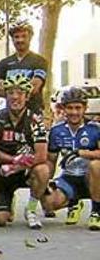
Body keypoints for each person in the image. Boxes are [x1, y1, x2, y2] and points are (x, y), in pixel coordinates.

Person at [0, 75, 50, 229]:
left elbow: (41, 156)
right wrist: (12, 160)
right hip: (3, 172)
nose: (15, 97)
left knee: (43, 170)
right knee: (0, 220)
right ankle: (8, 201)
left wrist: (18, 165)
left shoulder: (35, 120)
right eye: (11, 93)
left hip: (26, 171)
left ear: (27, 96)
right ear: (6, 96)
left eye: (20, 93)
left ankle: (31, 209)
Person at [44, 87, 100, 230]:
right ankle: (74, 202)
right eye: (70, 108)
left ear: (85, 108)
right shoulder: (56, 131)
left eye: (78, 108)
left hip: (91, 178)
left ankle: (96, 212)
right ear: (63, 108)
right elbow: (51, 160)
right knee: (48, 203)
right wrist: (46, 181)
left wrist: (82, 153)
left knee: (96, 166)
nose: (74, 112)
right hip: (68, 177)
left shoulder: (95, 128)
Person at [0, 20, 48, 114]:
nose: (20, 40)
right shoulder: (4, 63)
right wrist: (23, 88)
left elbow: (34, 87)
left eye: (24, 36)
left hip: (34, 111)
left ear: (30, 38)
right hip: (10, 113)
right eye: (16, 37)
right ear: (12, 39)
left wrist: (10, 88)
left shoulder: (40, 61)